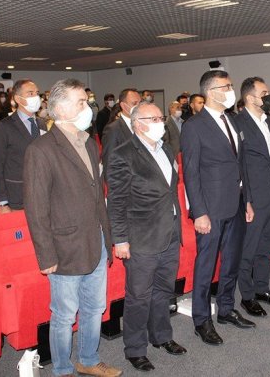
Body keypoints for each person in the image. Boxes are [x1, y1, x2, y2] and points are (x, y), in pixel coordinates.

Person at [24, 79, 121, 377]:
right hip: (65, 246)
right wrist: (46, 255)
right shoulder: (41, 149)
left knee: (94, 308)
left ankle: (88, 359)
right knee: (65, 315)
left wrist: (108, 237)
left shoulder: (89, 142)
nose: (87, 107)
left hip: (96, 240)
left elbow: (98, 196)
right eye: (81, 102)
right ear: (61, 107)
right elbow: (36, 208)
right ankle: (63, 369)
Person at [107, 102, 186, 372]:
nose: (160, 122)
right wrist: (120, 239)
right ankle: (135, 349)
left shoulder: (165, 148)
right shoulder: (123, 154)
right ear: (137, 124)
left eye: (160, 117)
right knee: (139, 296)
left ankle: (161, 335)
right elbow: (116, 201)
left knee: (163, 290)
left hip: (169, 232)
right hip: (141, 237)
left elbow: (170, 190)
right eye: (153, 118)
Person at [180, 70, 255, 346]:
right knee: (206, 265)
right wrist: (199, 212)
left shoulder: (231, 119)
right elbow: (191, 173)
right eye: (226, 87)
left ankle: (226, 308)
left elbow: (240, 164)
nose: (230, 91)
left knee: (232, 260)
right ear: (210, 92)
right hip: (210, 208)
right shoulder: (194, 126)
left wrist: (247, 199)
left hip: (236, 203)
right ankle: (202, 320)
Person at [234, 77, 270, 317]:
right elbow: (239, 164)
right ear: (249, 97)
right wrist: (246, 199)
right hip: (254, 194)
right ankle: (247, 296)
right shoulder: (238, 123)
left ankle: (262, 288)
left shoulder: (269, 121)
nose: (268, 97)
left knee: (266, 244)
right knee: (249, 248)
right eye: (263, 93)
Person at [0, 79, 45, 212]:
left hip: (42, 194)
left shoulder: (41, 124)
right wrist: (2, 203)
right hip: (17, 196)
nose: (36, 97)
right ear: (18, 99)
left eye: (37, 93)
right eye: (30, 93)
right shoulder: (5, 126)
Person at [101, 89, 141, 172]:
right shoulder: (113, 129)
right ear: (123, 105)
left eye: (140, 103)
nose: (139, 107)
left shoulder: (143, 125)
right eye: (134, 103)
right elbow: (109, 162)